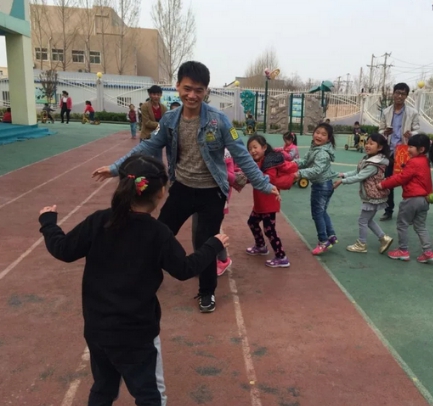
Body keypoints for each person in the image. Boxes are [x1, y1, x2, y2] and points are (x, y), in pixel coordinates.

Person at [39, 155, 229, 406]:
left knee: (102, 389)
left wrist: (49, 223)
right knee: (149, 396)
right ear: (161, 193)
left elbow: (63, 249)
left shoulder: (99, 221)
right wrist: (213, 244)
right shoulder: (158, 233)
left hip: (98, 329)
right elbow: (184, 269)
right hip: (137, 334)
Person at [92, 61, 279, 313]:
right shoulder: (170, 119)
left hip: (212, 192)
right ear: (178, 86)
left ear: (206, 91)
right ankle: (146, 276)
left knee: (206, 243)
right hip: (181, 188)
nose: (192, 95)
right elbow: (147, 146)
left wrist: (264, 184)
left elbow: (242, 155)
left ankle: (207, 292)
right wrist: (116, 167)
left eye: (199, 90)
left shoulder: (219, 121)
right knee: (158, 232)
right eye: (187, 88)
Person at [378, 134, 433, 263]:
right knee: (420, 226)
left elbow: (401, 178)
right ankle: (428, 252)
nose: (408, 149)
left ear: (421, 149)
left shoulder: (414, 162)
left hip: (412, 199)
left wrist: (383, 184)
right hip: (424, 199)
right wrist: (429, 195)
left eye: (411, 147)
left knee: (402, 224)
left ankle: (403, 250)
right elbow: (427, 181)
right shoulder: (425, 161)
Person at [334, 133, 394, 254]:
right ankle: (384, 238)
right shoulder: (369, 158)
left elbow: (359, 176)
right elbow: (357, 171)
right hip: (372, 195)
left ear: (380, 147)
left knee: (362, 220)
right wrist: (343, 174)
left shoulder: (374, 164)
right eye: (367, 142)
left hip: (372, 196)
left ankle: (362, 244)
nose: (367, 145)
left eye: (371, 143)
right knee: (368, 220)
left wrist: (342, 181)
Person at [246, 135, 296, 267]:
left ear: (264, 147)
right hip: (260, 203)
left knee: (269, 230)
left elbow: (270, 179)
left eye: (255, 147)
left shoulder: (269, 162)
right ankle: (261, 246)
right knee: (252, 222)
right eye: (250, 149)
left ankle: (281, 257)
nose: (253, 151)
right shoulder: (257, 162)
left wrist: (252, 175)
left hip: (269, 203)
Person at [294, 122, 338, 255]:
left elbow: (316, 170)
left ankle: (323, 241)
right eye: (317, 132)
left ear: (328, 139)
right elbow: (305, 161)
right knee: (322, 212)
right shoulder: (315, 147)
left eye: (323, 134)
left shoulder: (322, 153)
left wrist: (299, 173)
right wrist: (291, 164)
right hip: (326, 184)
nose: (319, 136)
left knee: (317, 214)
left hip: (321, 186)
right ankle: (331, 235)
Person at [378, 82, 420, 221]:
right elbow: (380, 130)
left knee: (408, 183)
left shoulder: (412, 112)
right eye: (397, 93)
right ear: (393, 93)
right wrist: (385, 132)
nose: (400, 96)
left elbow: (417, 129)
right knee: (389, 181)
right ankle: (388, 210)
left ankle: (410, 212)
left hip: (405, 152)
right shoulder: (386, 112)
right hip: (390, 152)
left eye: (403, 94)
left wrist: (411, 134)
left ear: (406, 96)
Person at [191, 148, 236, 276]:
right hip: (197, 194)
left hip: (217, 197)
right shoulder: (198, 149)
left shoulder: (225, 153)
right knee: (197, 229)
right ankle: (201, 260)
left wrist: (216, 168)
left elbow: (232, 177)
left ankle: (223, 259)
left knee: (212, 229)